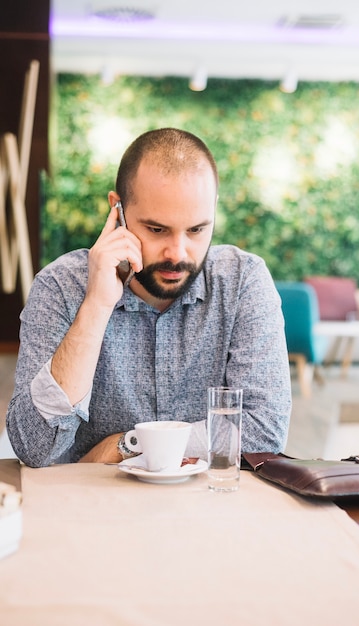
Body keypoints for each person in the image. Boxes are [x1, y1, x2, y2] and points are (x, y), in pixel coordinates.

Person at [6, 128, 291, 467]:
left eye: (197, 229)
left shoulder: (243, 281)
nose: (178, 253)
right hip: (94, 509)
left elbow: (264, 432)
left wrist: (126, 445)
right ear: (118, 211)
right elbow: (34, 448)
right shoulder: (60, 286)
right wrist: (96, 306)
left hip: (209, 509)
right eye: (157, 229)